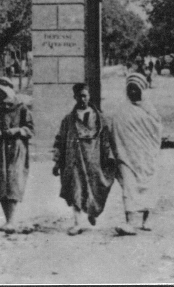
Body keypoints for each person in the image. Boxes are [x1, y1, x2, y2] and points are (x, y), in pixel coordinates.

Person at [52, 83, 116, 235]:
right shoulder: (68, 120)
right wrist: (56, 161)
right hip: (74, 159)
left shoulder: (100, 119)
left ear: (89, 96)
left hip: (93, 159)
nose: (82, 99)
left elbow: (106, 139)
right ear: (74, 97)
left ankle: (92, 211)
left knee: (96, 186)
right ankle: (77, 223)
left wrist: (109, 156)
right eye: (79, 96)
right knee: (76, 188)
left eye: (85, 95)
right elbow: (60, 141)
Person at [108, 73, 163, 236]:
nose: (132, 92)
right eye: (129, 89)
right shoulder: (121, 110)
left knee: (149, 186)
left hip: (146, 156)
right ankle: (130, 222)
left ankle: (147, 219)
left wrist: (147, 147)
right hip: (126, 155)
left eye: (136, 89)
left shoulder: (150, 110)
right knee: (129, 188)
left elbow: (156, 131)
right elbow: (114, 132)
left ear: (142, 90)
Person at [0, 77, 34, 233]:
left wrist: (17, 130)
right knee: (0, 182)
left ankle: (11, 220)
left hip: (15, 149)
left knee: (13, 181)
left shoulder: (22, 109)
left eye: (1, 92)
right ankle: (8, 220)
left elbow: (30, 129)